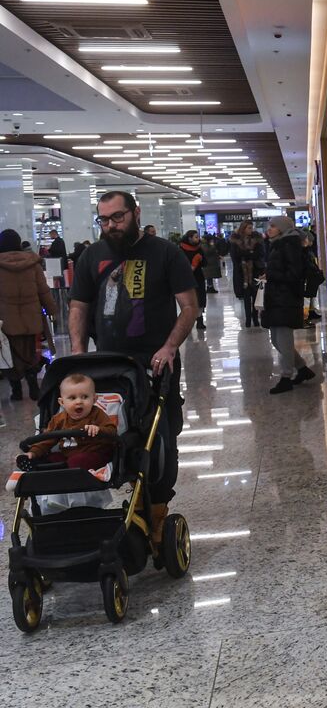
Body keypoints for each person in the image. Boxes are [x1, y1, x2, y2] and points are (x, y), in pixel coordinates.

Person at [68, 191, 198, 544]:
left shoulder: (165, 253)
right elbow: (78, 307)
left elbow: (189, 306)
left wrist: (170, 347)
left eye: (118, 217)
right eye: (104, 219)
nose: (111, 225)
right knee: (109, 435)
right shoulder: (91, 256)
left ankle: (156, 510)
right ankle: (114, 507)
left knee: (161, 437)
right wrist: (79, 355)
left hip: (156, 364)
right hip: (108, 366)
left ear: (136, 213)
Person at [17, 373, 117, 472]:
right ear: (62, 402)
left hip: (95, 453)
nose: (79, 402)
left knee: (77, 461)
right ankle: (34, 463)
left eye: (85, 397)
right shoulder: (58, 419)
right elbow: (46, 440)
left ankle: (63, 471)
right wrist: (33, 452)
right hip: (67, 455)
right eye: (72, 398)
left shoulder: (97, 414)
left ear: (94, 399)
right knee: (52, 458)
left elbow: (112, 431)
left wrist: (99, 429)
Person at [0, 228, 57, 401]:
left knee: (11, 354)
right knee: (32, 352)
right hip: (32, 318)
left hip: (7, 319)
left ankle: (16, 390)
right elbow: (43, 290)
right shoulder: (33, 263)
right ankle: (33, 386)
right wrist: (53, 310)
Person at [261, 216, 314, 394]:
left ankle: (286, 378)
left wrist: (272, 277)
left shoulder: (289, 245)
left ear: (282, 228)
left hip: (286, 298)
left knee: (283, 339)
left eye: (273, 226)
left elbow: (294, 274)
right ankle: (303, 369)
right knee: (277, 340)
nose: (269, 229)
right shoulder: (279, 243)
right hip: (277, 297)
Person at [229, 221, 263, 328]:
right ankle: (248, 318)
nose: (251, 230)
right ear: (243, 228)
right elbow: (235, 256)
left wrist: (246, 255)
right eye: (249, 228)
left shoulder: (257, 239)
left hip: (255, 271)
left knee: (255, 295)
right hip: (241, 273)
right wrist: (249, 254)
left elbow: (259, 254)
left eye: (251, 227)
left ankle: (255, 317)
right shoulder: (235, 241)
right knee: (246, 297)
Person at [179, 230, 208, 330]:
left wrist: (200, 260)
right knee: (188, 300)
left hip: (198, 277)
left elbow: (205, 263)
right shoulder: (181, 249)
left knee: (200, 299)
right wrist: (193, 263)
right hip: (186, 278)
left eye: (198, 237)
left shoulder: (199, 248)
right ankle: (188, 322)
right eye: (195, 237)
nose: (198, 239)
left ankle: (200, 320)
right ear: (189, 238)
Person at [301, 234, 324, 322]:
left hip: (309, 277)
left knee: (310, 297)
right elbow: (309, 264)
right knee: (307, 298)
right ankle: (305, 317)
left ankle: (310, 313)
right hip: (308, 278)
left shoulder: (306, 251)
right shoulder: (305, 252)